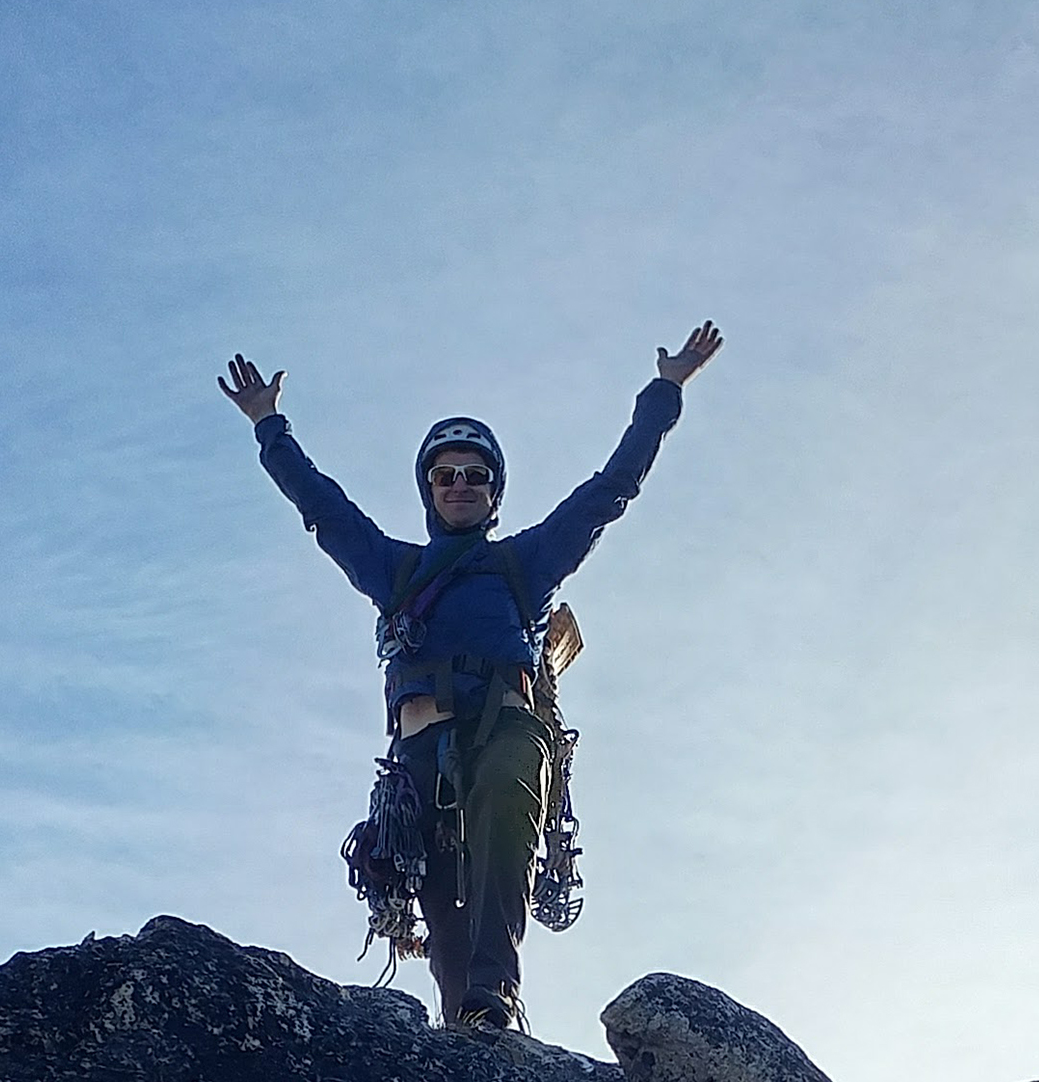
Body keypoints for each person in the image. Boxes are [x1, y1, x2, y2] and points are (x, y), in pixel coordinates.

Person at [221, 323, 722, 1030]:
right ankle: (471, 1023)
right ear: (429, 489)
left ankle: (495, 991)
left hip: (507, 732)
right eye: (445, 474)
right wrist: (268, 424)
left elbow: (610, 490)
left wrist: (665, 391)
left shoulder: (528, 563)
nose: (460, 485)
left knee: (503, 805)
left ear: (494, 493)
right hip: (421, 750)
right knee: (446, 901)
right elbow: (322, 509)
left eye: (475, 475)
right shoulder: (394, 569)